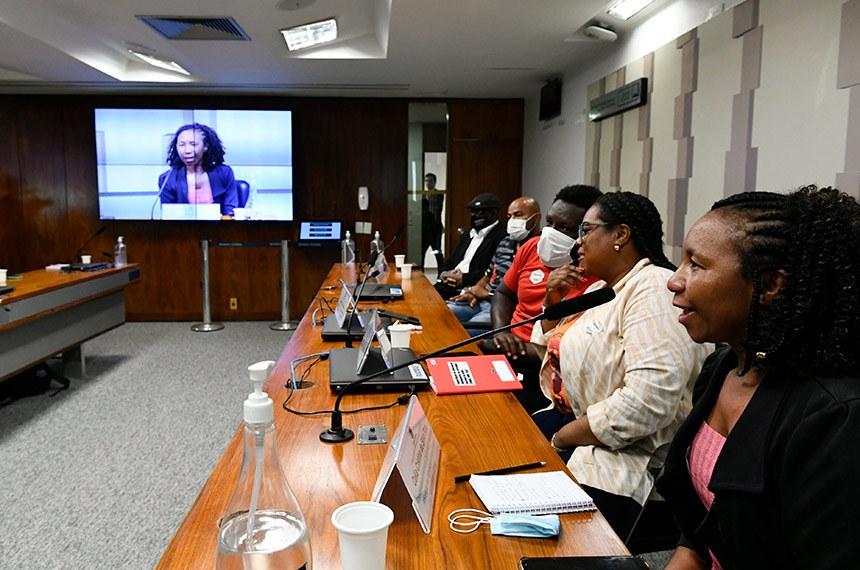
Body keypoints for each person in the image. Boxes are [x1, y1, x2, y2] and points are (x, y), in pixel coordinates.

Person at [657, 186, 860, 569]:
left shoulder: (835, 416)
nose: (674, 280)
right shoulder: (723, 368)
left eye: (696, 265)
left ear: (769, 285)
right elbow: (698, 538)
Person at [534, 191, 712, 538]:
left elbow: (649, 401)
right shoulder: (604, 287)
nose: (577, 243)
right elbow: (551, 347)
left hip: (621, 459)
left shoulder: (655, 288)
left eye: (585, 231)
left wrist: (564, 436)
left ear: (621, 235)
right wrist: (551, 300)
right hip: (575, 426)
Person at [447, 196, 541, 335]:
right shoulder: (505, 243)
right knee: (444, 314)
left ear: (536, 218)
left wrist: (487, 295)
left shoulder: (541, 249)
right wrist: (473, 291)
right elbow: (489, 274)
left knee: (465, 333)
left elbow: (524, 295)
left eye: (518, 215)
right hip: (481, 301)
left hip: (503, 309)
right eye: (510, 216)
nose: (512, 221)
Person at [434, 192, 507, 300]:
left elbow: (493, 270)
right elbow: (452, 260)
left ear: (493, 213)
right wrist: (444, 273)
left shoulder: (502, 236)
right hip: (449, 284)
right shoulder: (468, 234)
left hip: (470, 289)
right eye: (472, 212)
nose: (474, 216)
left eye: (479, 212)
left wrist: (464, 278)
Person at [158, 123, 238, 219]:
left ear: (205, 146)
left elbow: (230, 212)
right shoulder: (167, 179)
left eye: (193, 144)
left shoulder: (224, 173)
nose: (187, 150)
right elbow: (169, 217)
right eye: (182, 145)